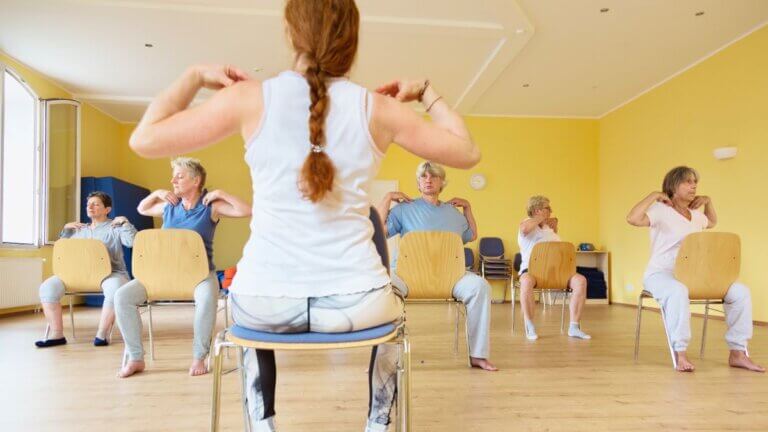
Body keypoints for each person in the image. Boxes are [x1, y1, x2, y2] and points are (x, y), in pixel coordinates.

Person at [128, 0, 480, 428]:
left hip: (262, 304)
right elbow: (467, 151)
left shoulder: (250, 98)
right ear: (352, 41)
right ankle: (377, 423)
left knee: (247, 310)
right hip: (360, 304)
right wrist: (426, 92)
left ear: (291, 33)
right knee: (395, 316)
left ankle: (263, 424)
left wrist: (195, 76)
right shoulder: (378, 108)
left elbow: (144, 139)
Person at [115, 157, 251, 377]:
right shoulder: (169, 206)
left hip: (199, 275)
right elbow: (142, 208)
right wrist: (157, 193)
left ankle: (199, 357)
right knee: (122, 297)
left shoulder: (210, 207)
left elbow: (246, 210)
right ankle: (136, 358)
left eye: (179, 176)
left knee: (207, 300)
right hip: (162, 275)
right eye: (173, 177)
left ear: (196, 180)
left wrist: (221, 194)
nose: (173, 181)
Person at [627, 166, 763, 372]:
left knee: (740, 292)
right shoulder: (660, 211)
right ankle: (680, 353)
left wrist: (708, 201)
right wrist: (654, 195)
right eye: (688, 182)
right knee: (677, 291)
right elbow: (633, 218)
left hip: (694, 275)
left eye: (695, 182)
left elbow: (712, 222)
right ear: (673, 185)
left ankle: (738, 353)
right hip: (662, 274)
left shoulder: (696, 215)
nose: (694, 186)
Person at [377, 161, 497, 371]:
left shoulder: (454, 214)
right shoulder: (404, 210)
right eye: (423, 176)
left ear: (442, 182)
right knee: (382, 284)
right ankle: (384, 358)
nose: (428, 180)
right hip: (407, 277)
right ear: (418, 183)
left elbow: (472, 234)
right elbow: (377, 231)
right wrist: (387, 198)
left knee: (481, 286)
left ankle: (478, 355)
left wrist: (468, 207)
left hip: (450, 278)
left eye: (434, 176)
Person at [35, 191, 136, 348]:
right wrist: (65, 230)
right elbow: (62, 251)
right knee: (47, 288)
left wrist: (125, 223)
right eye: (88, 204)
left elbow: (131, 242)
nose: (90, 207)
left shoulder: (115, 227)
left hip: (110, 274)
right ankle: (57, 334)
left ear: (107, 209)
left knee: (115, 289)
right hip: (77, 275)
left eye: (95, 204)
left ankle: (102, 334)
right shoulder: (77, 229)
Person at [517, 195, 591, 341]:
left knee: (580, 281)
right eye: (547, 208)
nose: (551, 211)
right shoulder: (526, 224)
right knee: (525, 282)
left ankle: (574, 327)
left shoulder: (548, 229)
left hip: (558, 272)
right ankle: (530, 326)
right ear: (537, 210)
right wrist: (540, 218)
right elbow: (524, 229)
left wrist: (553, 226)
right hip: (532, 272)